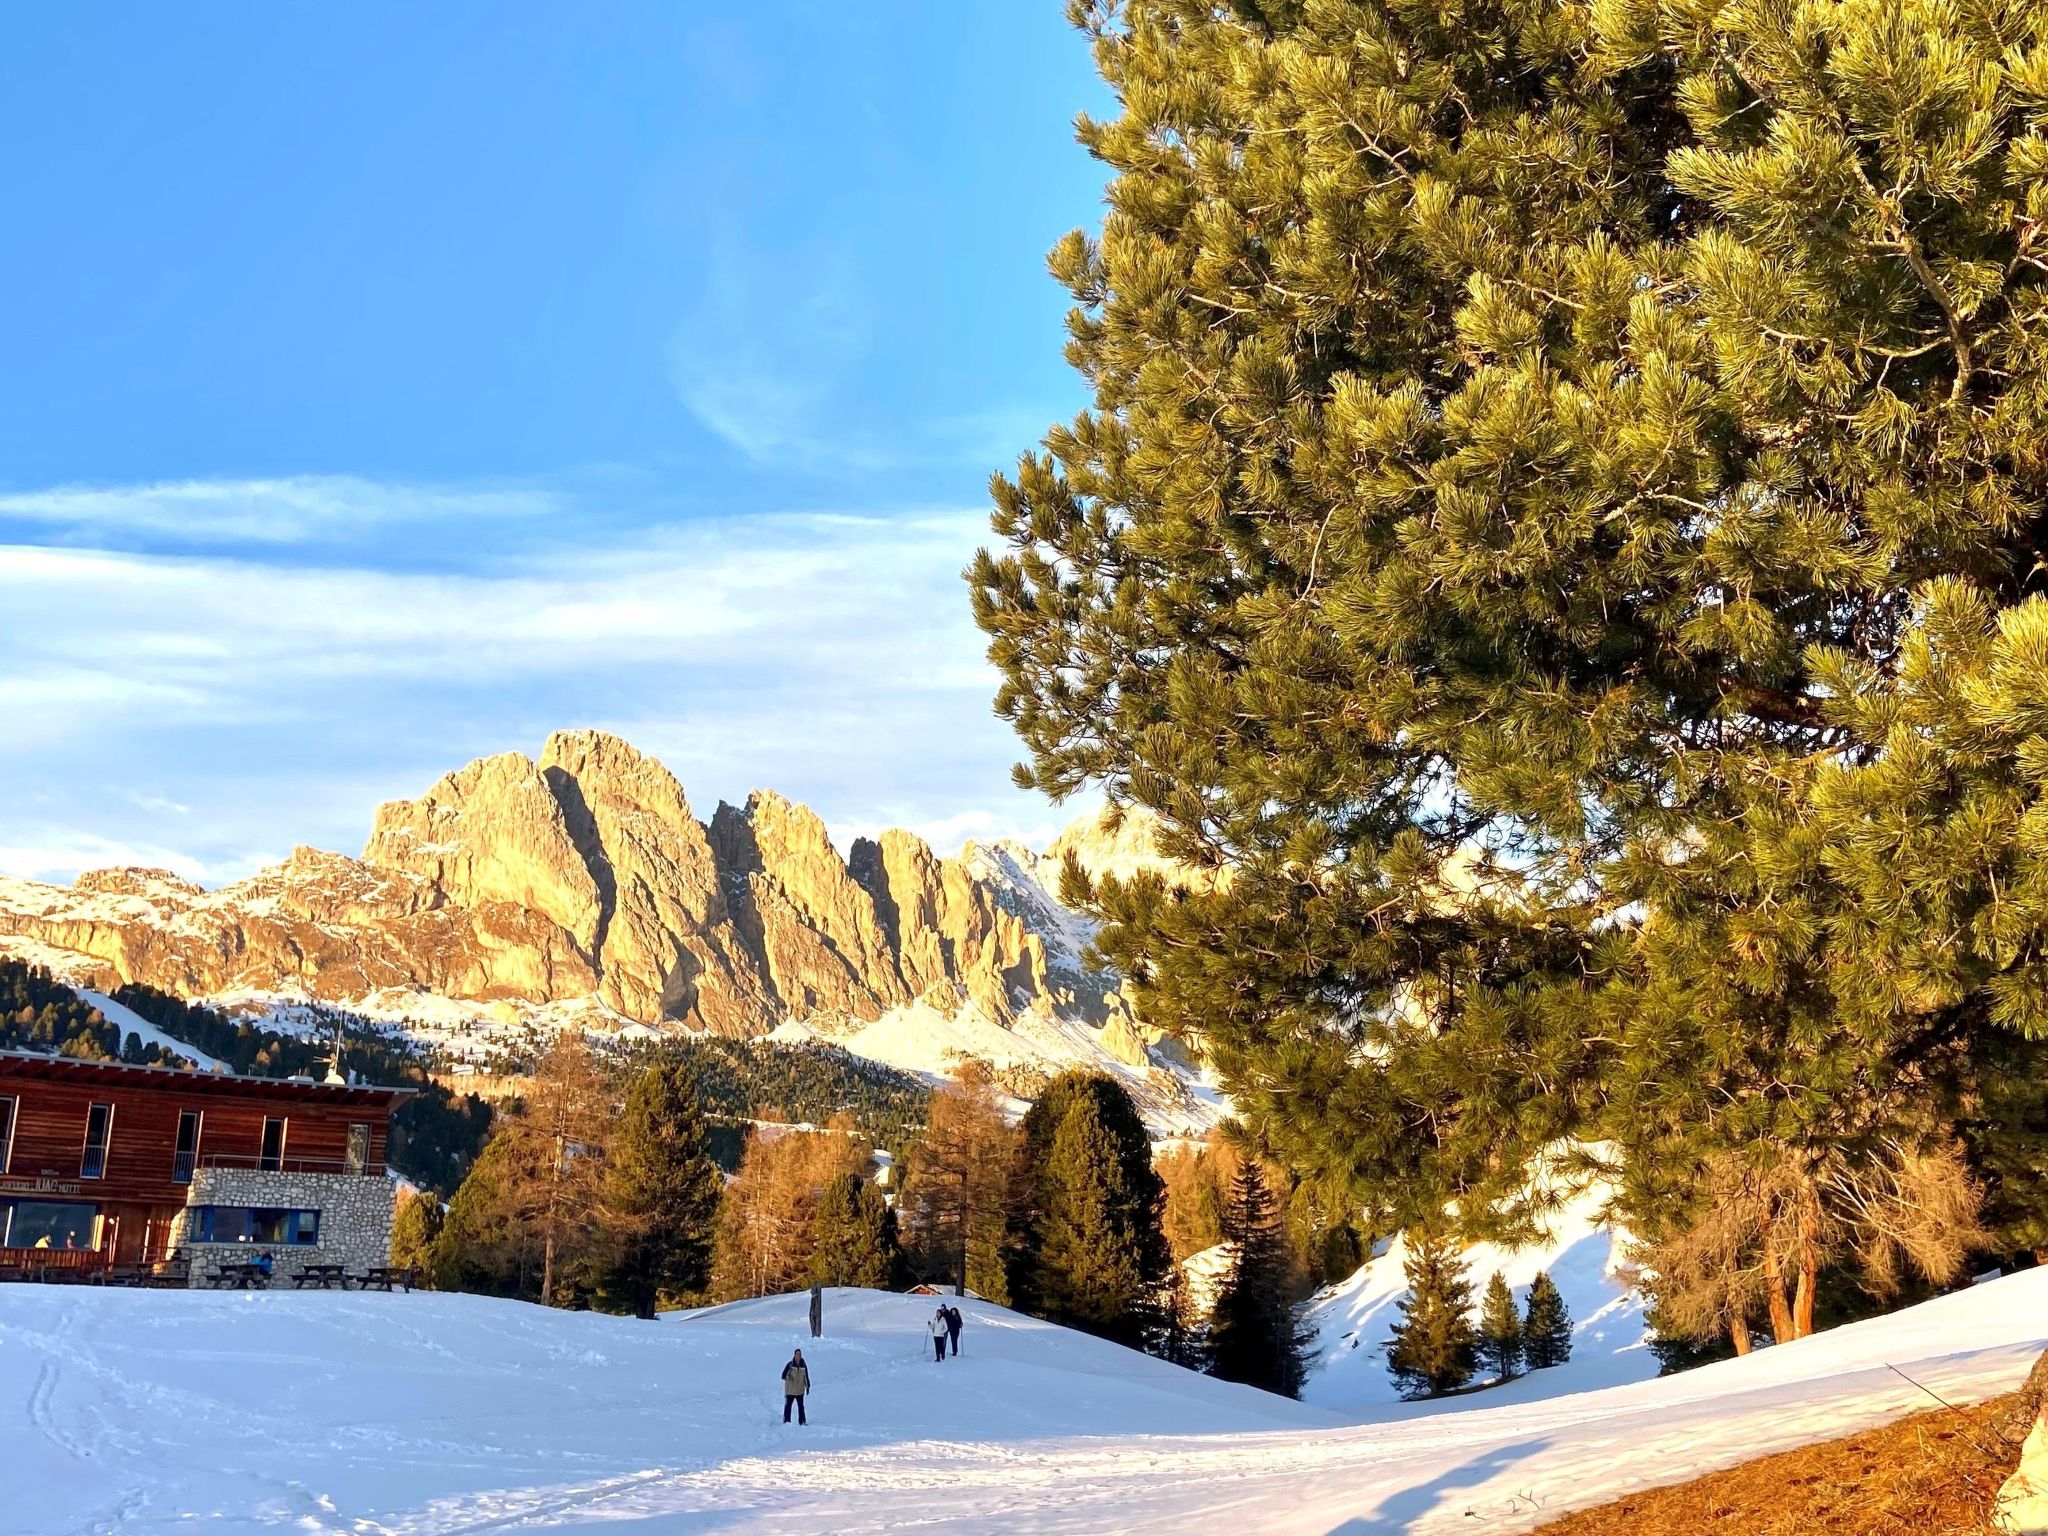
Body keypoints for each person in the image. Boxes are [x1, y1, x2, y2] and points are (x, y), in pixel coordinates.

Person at [782, 1349, 810, 1425]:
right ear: (794, 1355)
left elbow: (806, 1377)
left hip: (800, 1390)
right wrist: (788, 1377)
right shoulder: (790, 1365)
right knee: (788, 1406)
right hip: (790, 1390)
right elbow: (783, 1375)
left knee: (801, 1407)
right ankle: (786, 1421)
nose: (798, 1356)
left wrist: (807, 1387)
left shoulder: (804, 1365)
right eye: (797, 1354)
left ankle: (802, 1421)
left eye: (800, 1354)